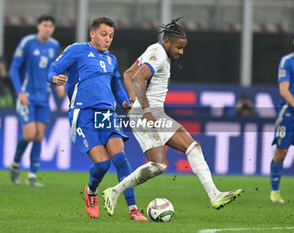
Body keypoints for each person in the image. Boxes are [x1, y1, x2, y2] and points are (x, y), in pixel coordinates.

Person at [102, 18, 243, 216]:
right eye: (178, 47)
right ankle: (114, 191)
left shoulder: (155, 50)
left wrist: (131, 99)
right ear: (167, 42)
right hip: (148, 115)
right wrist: (146, 110)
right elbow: (137, 77)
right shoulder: (158, 54)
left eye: (183, 48)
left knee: (191, 148)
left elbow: (128, 74)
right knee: (160, 164)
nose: (181, 52)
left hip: (151, 112)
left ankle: (214, 195)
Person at [47, 16, 147, 221]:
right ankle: (91, 192)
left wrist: (125, 102)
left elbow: (116, 86)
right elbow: (53, 68)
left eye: (111, 36)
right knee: (102, 165)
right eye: (103, 34)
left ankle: (133, 209)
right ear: (92, 34)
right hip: (83, 114)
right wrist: (54, 78)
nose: (108, 39)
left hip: (107, 114)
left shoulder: (111, 59)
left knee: (120, 158)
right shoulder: (77, 50)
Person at [8, 15, 62, 187]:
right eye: (45, 25)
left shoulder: (54, 45)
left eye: (51, 26)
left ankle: (32, 176)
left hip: (44, 98)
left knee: (39, 136)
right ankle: (15, 163)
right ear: (38, 26)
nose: (48, 28)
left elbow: (54, 69)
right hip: (27, 96)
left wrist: (59, 83)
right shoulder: (27, 43)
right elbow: (14, 69)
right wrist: (19, 92)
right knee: (29, 134)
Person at [270, 28, 294, 203]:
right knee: (281, 152)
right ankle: (275, 191)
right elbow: (283, 89)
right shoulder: (287, 61)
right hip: (289, 113)